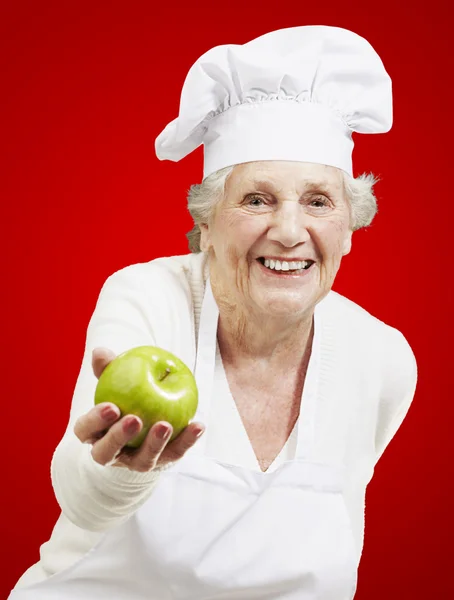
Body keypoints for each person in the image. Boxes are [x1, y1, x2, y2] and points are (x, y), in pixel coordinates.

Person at [9, 25, 417, 600]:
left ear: (350, 228)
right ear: (206, 222)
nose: (289, 231)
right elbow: (83, 497)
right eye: (257, 199)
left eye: (318, 202)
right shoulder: (148, 299)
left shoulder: (381, 359)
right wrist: (123, 465)